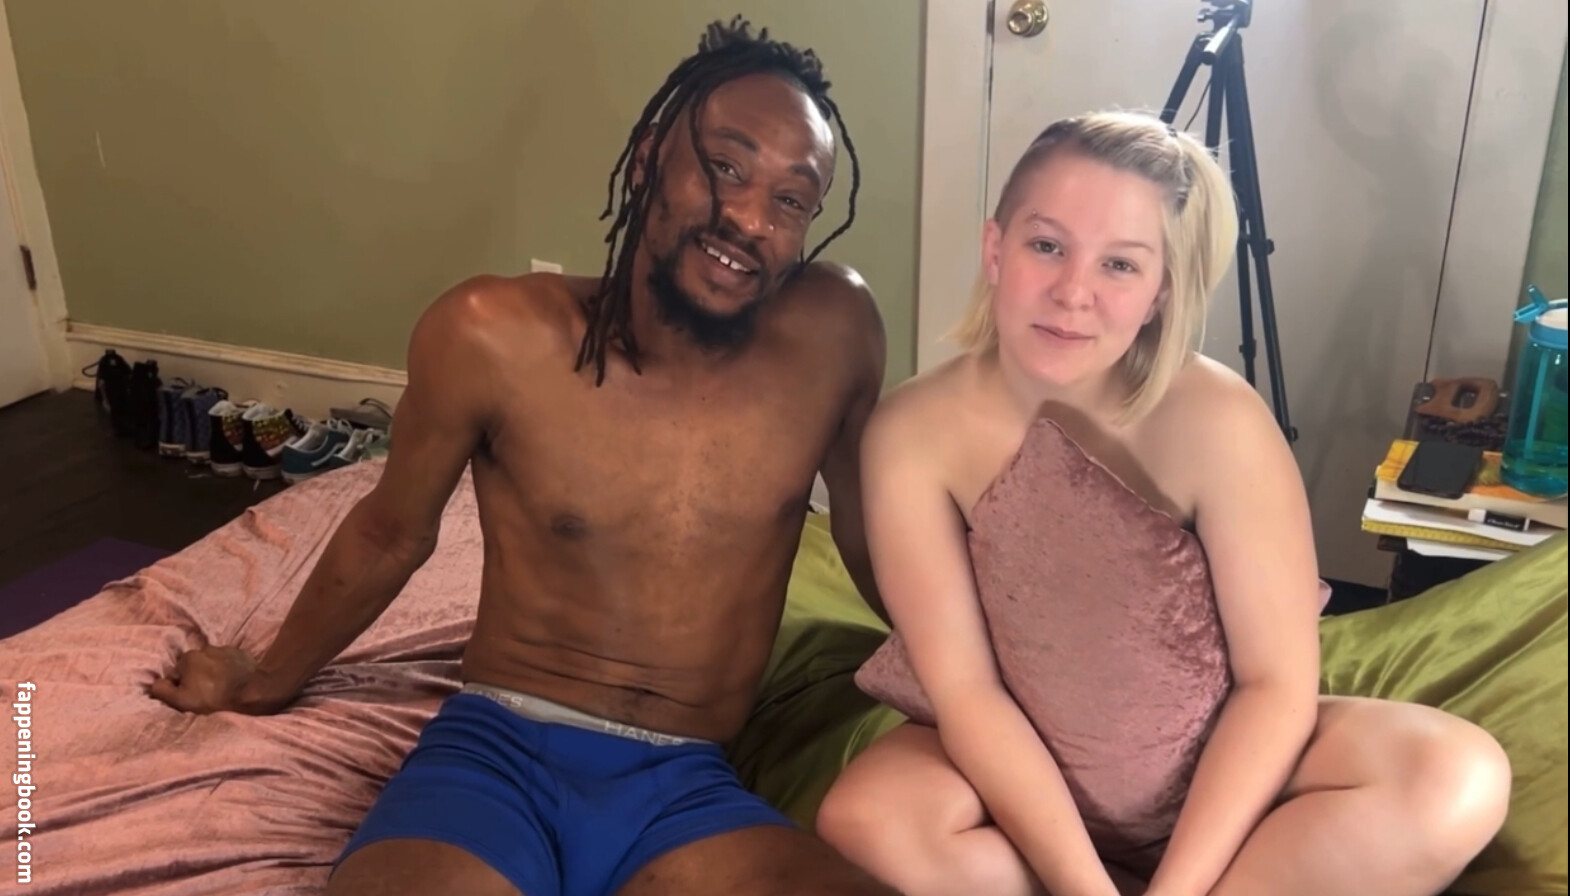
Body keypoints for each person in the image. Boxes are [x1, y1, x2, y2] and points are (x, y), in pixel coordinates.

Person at [149, 17, 898, 896]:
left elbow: (874, 534)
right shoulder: (492, 333)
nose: (750, 218)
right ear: (650, 158)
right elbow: (390, 534)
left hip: (688, 789)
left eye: (792, 200)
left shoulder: (833, 334)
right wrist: (261, 680)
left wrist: (992, 686)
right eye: (726, 167)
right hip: (496, 756)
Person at [814, 111, 1514, 896]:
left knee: (1457, 777)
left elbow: (1275, 686)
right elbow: (966, 692)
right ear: (995, 250)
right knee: (867, 819)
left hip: (1216, 762)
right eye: (1047, 246)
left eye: (1119, 264)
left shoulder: (1221, 420)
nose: (1073, 292)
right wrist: (1083, 886)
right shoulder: (911, 432)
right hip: (1016, 765)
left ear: (1159, 293)